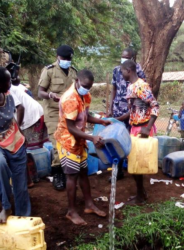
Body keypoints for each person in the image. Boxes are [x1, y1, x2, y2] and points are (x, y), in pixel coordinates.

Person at [54, 69, 110, 225]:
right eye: (85, 86)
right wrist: (92, 137)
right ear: (77, 81)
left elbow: (85, 116)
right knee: (72, 175)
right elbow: (71, 127)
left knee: (84, 171)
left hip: (80, 141)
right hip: (68, 141)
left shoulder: (85, 95)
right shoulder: (69, 98)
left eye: (90, 86)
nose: (88, 89)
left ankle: (89, 204)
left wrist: (101, 121)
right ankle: (71, 211)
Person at [38, 45, 77, 191]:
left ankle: (69, 173)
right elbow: (40, 92)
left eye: (69, 59)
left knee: (70, 142)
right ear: (58, 57)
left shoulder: (73, 72)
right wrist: (50, 95)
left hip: (69, 113)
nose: (67, 61)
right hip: (53, 112)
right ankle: (57, 174)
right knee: (57, 143)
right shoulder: (49, 71)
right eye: (64, 58)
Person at [120, 60, 159, 205]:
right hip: (135, 127)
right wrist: (115, 119)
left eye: (122, 71)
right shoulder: (131, 86)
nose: (121, 74)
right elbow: (134, 111)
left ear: (129, 70)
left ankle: (140, 196)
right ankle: (141, 193)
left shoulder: (142, 86)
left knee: (138, 164)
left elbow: (155, 107)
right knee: (134, 162)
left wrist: (147, 128)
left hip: (143, 129)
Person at [109, 47, 146, 180]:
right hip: (118, 109)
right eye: (122, 56)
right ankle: (117, 170)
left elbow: (142, 95)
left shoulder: (139, 71)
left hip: (132, 113)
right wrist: (110, 108)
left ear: (132, 59)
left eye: (126, 57)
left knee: (130, 139)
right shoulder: (116, 70)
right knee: (116, 139)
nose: (123, 59)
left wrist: (130, 112)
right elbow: (113, 89)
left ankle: (132, 168)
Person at [0, 67, 31, 223]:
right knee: (1, 165)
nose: (10, 83)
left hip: (14, 139)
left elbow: (21, 107)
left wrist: (18, 127)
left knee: (20, 183)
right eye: (7, 81)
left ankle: (23, 216)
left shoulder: (8, 94)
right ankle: (6, 206)